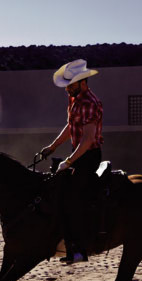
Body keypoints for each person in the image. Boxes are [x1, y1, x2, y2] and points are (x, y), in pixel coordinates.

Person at [40, 59, 104, 264]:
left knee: (71, 198)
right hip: (77, 154)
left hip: (88, 156)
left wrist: (68, 161)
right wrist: (53, 146)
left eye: (71, 84)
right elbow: (71, 127)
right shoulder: (75, 99)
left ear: (82, 82)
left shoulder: (89, 103)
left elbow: (87, 140)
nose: (67, 88)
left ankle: (78, 249)